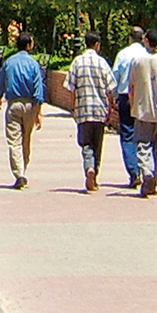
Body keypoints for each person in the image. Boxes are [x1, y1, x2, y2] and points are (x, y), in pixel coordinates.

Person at [64, 31, 116, 192]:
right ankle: (95, 174)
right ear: (97, 45)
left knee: (86, 144)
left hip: (83, 110)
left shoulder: (77, 63)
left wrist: (73, 107)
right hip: (100, 111)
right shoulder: (103, 63)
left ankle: (89, 168)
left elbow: (71, 88)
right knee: (97, 145)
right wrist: (110, 108)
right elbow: (110, 89)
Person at [0, 32, 44, 189]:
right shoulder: (33, 64)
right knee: (26, 138)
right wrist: (39, 112)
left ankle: (19, 173)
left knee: (14, 140)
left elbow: (1, 81)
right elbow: (39, 89)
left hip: (13, 104)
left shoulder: (9, 62)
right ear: (28, 45)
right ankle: (23, 170)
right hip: (30, 105)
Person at [128, 28, 157, 196]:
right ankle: (152, 181)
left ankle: (146, 170)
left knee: (142, 143)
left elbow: (131, 86)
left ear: (146, 41)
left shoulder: (137, 61)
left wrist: (133, 105)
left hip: (141, 110)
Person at [111, 26, 147, 189]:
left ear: (130, 38)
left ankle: (134, 172)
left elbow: (115, 77)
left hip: (126, 97)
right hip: (143, 98)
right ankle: (146, 169)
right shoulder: (147, 55)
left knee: (127, 134)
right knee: (144, 135)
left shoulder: (123, 54)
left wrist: (114, 97)